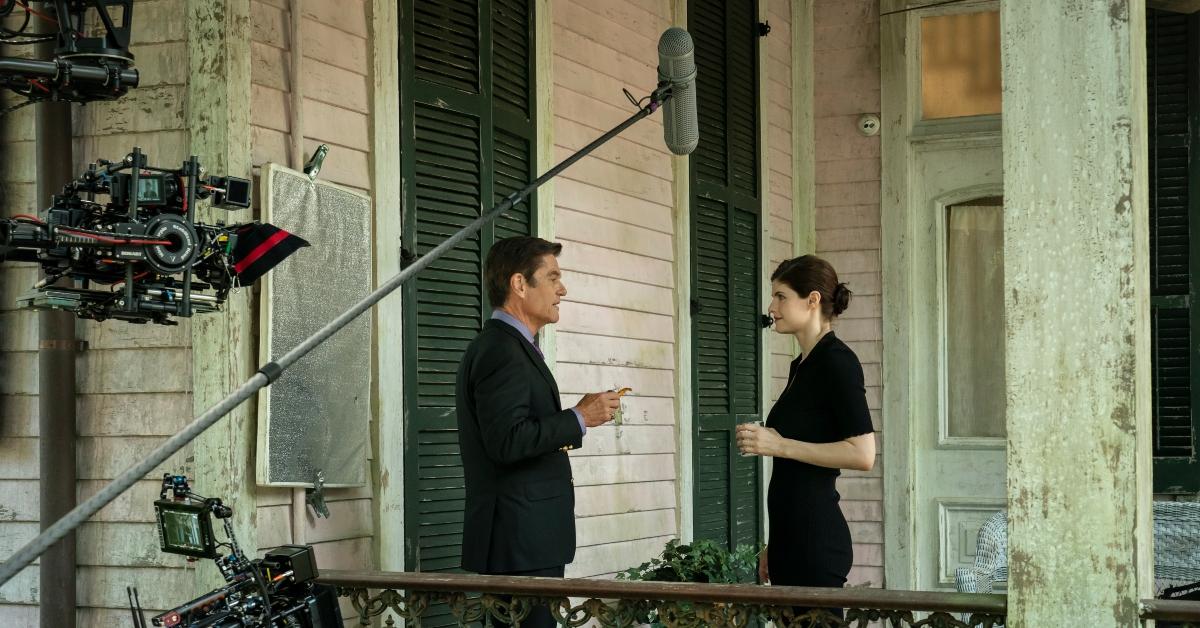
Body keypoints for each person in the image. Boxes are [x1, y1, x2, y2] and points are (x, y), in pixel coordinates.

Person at [456, 236, 621, 628]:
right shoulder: (502, 350)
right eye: (552, 277)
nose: (562, 288)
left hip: (525, 542)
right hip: (520, 544)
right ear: (519, 284)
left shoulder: (509, 346)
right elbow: (507, 441)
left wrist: (576, 418)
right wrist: (579, 417)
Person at [735, 255, 876, 624]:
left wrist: (778, 445)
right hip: (791, 542)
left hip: (816, 545)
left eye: (781, 297)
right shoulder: (802, 365)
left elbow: (863, 453)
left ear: (812, 300)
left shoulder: (838, 363)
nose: (771, 307)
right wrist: (776, 544)